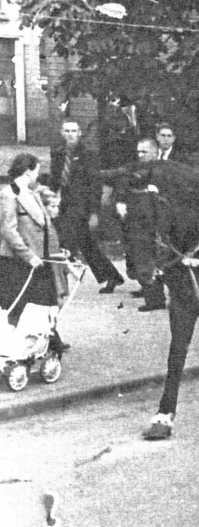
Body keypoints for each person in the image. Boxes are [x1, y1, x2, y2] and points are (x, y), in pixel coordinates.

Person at [45, 119, 125, 294]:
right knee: (85, 243)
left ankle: (59, 285)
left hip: (82, 206)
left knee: (65, 242)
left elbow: (95, 185)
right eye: (67, 131)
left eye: (74, 131)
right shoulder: (58, 154)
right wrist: (49, 198)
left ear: (80, 133)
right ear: (61, 133)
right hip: (64, 204)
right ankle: (112, 277)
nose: (70, 135)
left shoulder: (89, 154)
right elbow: (55, 179)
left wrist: (94, 212)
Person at [0, 153, 69, 353]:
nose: (37, 175)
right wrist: (28, 256)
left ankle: (46, 340)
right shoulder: (9, 193)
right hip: (20, 261)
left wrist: (54, 251)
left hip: (40, 259)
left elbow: (45, 227)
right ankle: (12, 348)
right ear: (28, 171)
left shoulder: (31, 192)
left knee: (46, 300)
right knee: (19, 304)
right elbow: (9, 230)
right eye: (37, 170)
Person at [120, 137, 167, 312]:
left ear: (155, 152)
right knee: (141, 259)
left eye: (144, 152)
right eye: (138, 151)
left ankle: (155, 299)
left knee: (151, 259)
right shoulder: (137, 167)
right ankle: (153, 296)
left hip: (154, 220)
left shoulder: (161, 170)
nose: (140, 155)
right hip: (138, 220)